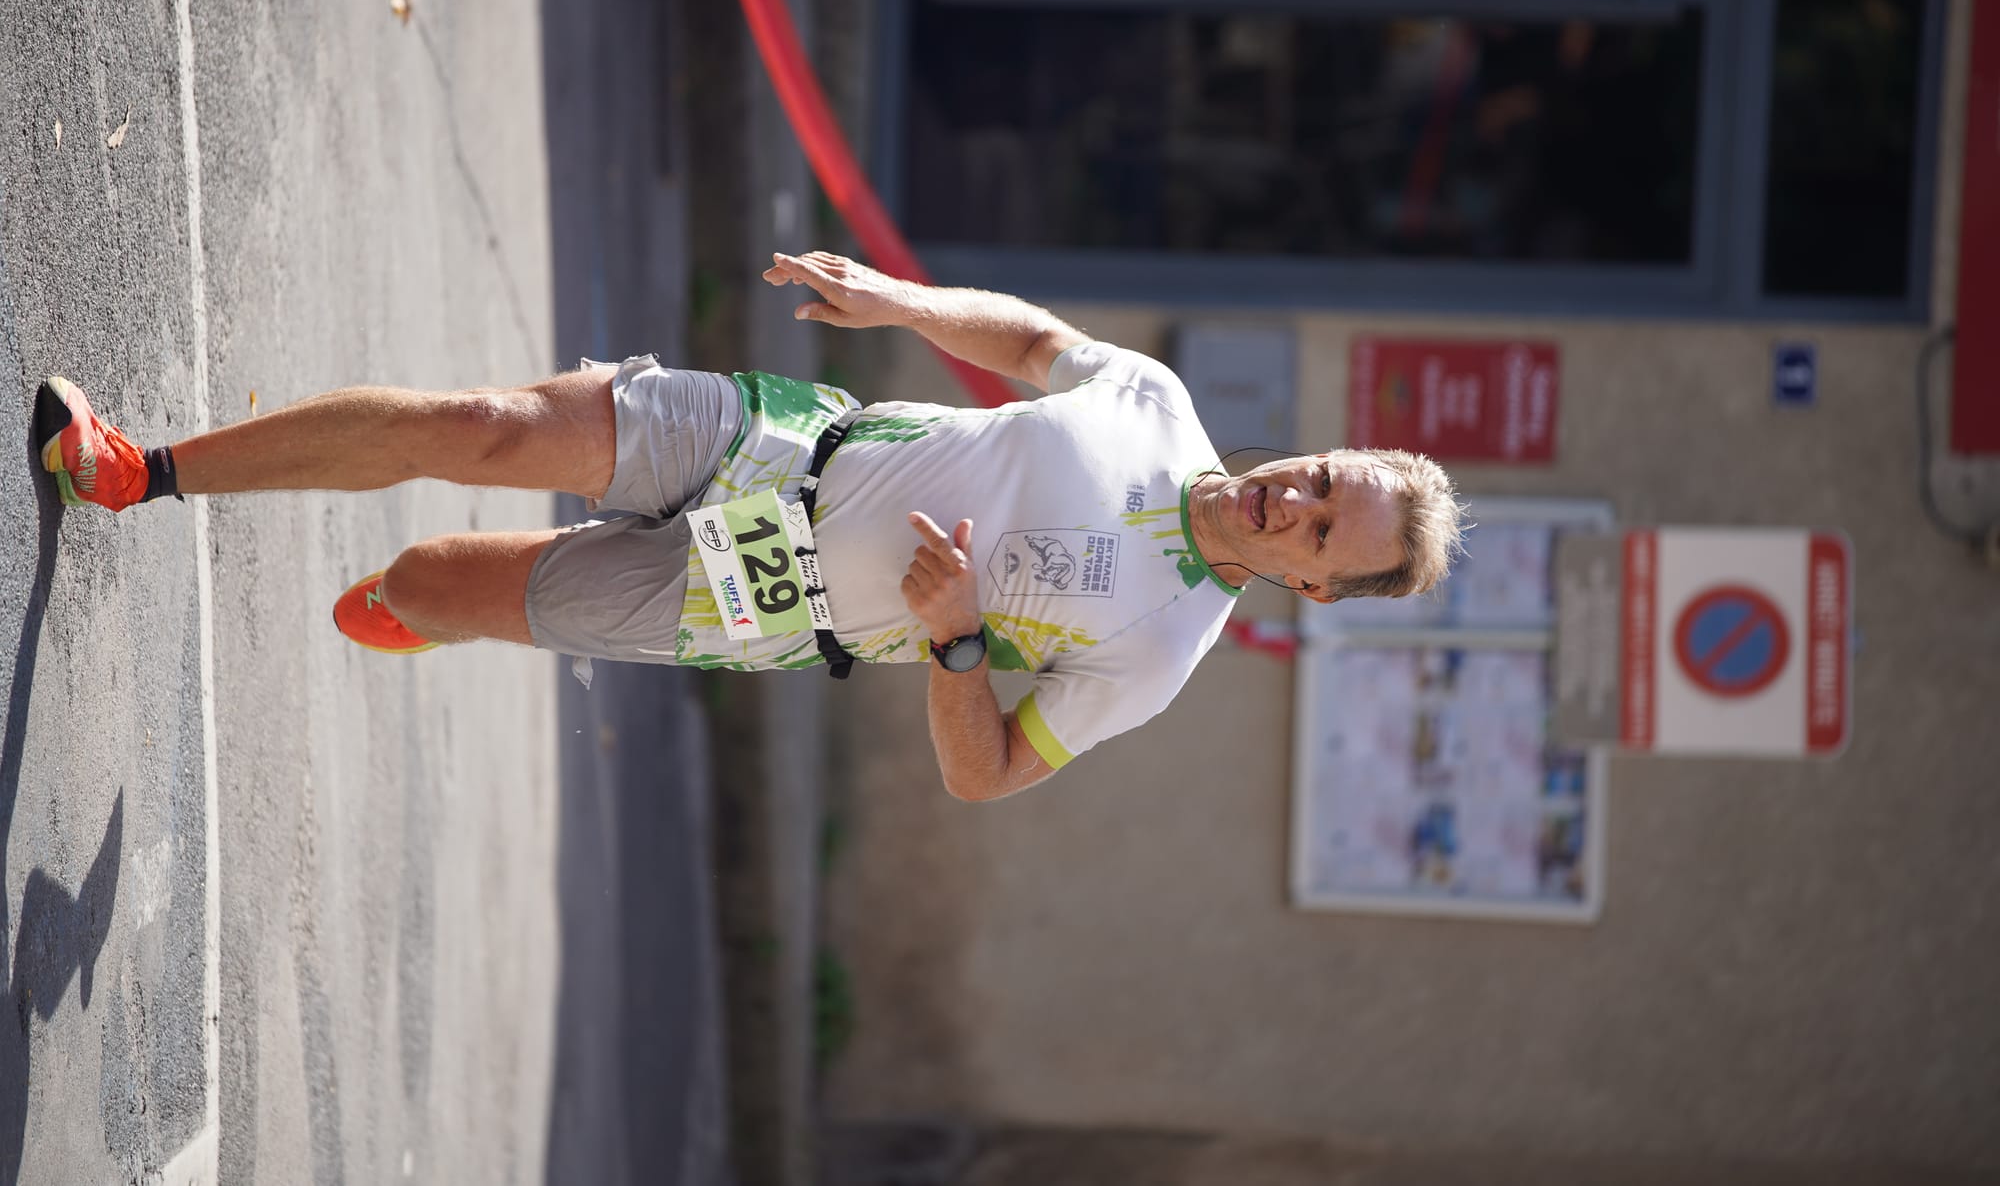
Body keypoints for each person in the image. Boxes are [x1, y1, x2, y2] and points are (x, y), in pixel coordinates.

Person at [35, 252, 1464, 800]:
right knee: (475, 428)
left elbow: (989, 778)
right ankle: (131, 469)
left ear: (1318, 589)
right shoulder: (1155, 399)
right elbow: (1031, 338)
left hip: (767, 608)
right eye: (1330, 474)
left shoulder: (1161, 650)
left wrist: (961, 645)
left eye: (1327, 528)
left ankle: (429, 607)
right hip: (783, 438)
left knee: (425, 580)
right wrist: (901, 302)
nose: (1303, 496)